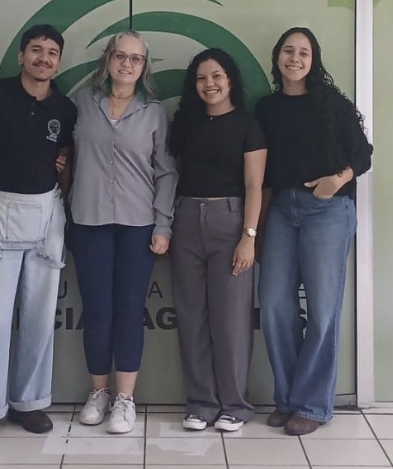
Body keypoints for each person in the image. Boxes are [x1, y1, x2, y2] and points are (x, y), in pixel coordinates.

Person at [255, 27, 372, 436]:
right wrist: (257, 226)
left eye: (303, 52)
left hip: (327, 211)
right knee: (274, 305)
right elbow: (262, 172)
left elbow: (363, 154)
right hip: (281, 211)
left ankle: (312, 404)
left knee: (322, 311)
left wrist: (336, 180)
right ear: (277, 57)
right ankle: (288, 399)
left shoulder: (332, 104)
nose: (295, 58)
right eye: (288, 50)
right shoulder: (266, 108)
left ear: (313, 60)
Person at [0, 25, 77, 442]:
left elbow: (66, 157)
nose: (43, 58)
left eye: (51, 53)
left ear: (58, 62)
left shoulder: (65, 108)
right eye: (36, 50)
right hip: (0, 206)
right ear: (21, 55)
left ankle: (30, 402)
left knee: (39, 317)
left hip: (47, 210)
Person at [68, 30, 178, 435]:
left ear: (144, 66)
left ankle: (125, 399)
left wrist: (163, 224)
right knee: (97, 311)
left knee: (130, 311)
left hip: (138, 225)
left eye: (136, 58)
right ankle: (98, 393)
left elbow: (166, 172)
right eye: (121, 56)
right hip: (88, 221)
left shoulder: (153, 113)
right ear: (108, 59)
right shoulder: (81, 104)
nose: (127, 64)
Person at [167, 48, 266, 433]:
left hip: (231, 220)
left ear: (230, 81)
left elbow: (255, 185)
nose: (209, 84)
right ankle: (201, 403)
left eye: (217, 76)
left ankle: (235, 405)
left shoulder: (248, 125)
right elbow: (175, 173)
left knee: (231, 321)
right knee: (191, 317)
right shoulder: (185, 124)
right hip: (186, 219)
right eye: (201, 78)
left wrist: (249, 237)